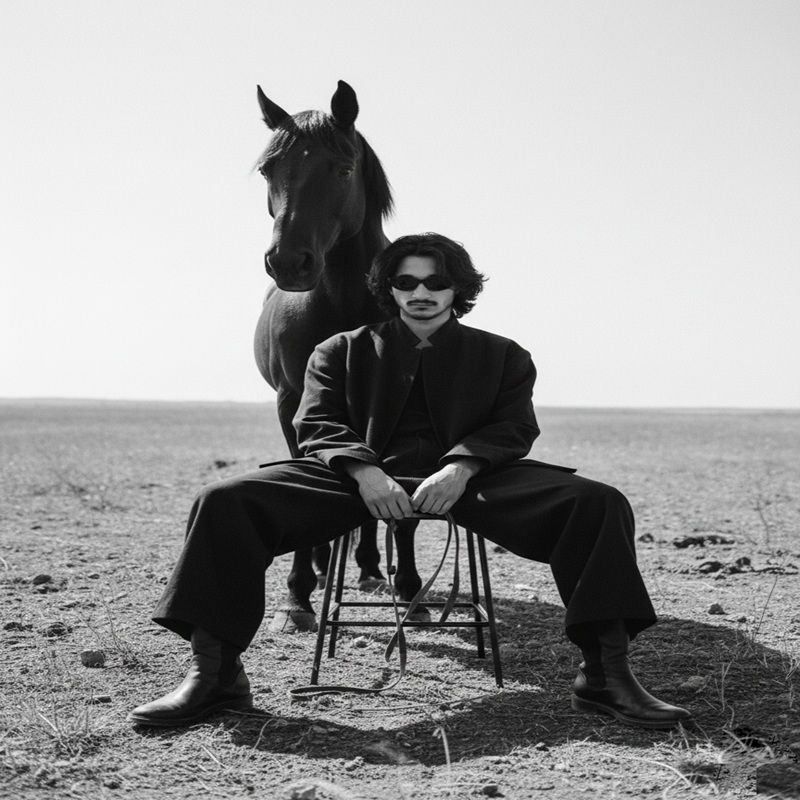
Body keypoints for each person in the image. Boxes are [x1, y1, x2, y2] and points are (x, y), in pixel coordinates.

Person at [129, 232, 691, 730]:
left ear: (458, 289)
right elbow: (317, 423)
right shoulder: (339, 350)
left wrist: (462, 466)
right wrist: (364, 470)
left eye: (436, 282)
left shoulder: (503, 355)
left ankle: (606, 677)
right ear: (389, 288)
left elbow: (514, 427)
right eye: (406, 282)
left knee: (598, 503)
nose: (421, 292)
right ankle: (215, 675)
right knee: (223, 500)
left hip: (473, 479)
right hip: (356, 479)